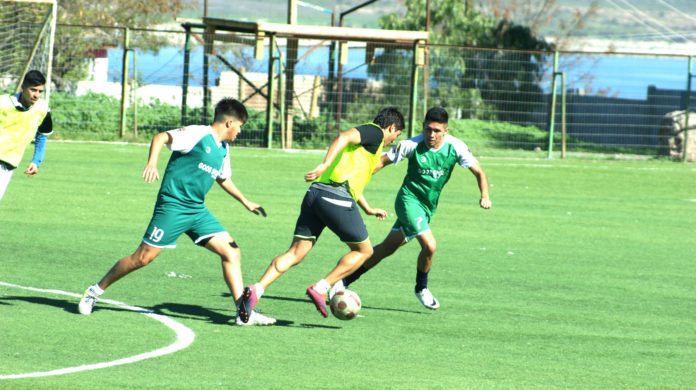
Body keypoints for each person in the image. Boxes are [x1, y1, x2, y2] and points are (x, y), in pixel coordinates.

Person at [78, 98, 275, 326]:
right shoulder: (197, 134)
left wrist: (245, 201)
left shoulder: (223, 148)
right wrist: (152, 163)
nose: (240, 131)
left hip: (196, 211)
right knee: (142, 258)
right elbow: (161, 137)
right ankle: (94, 291)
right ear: (230, 123)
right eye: (240, 126)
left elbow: (223, 177)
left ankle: (244, 314)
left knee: (232, 252)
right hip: (172, 206)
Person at [237, 107, 405, 322]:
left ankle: (256, 290)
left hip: (315, 195)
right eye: (396, 135)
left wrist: (368, 209)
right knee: (364, 251)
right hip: (335, 197)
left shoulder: (366, 150)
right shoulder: (375, 133)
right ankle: (321, 287)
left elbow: (353, 180)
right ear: (392, 127)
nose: (393, 140)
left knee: (296, 253)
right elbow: (344, 136)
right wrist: (324, 163)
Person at [330, 107, 491, 310]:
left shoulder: (456, 147)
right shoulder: (410, 145)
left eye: (437, 131)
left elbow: (479, 172)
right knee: (430, 246)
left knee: (386, 249)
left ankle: (342, 282)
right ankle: (421, 288)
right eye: (427, 129)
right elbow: (379, 163)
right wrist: (355, 180)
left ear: (446, 131)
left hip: (426, 207)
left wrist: (484, 195)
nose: (431, 135)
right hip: (408, 201)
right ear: (423, 127)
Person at [0, 70, 53, 201]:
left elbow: (42, 136)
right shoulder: (3, 104)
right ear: (23, 88)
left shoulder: (42, 109)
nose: (36, 95)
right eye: (33, 90)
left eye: (40, 91)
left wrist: (36, 161)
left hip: (9, 165)